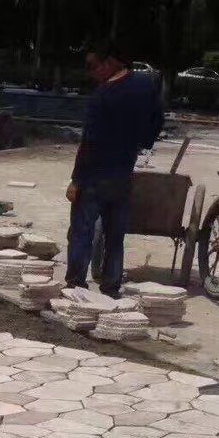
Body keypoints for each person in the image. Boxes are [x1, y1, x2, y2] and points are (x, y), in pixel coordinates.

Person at [65, 40, 164, 298]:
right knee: (115, 236)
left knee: (82, 231)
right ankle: (110, 287)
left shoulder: (101, 97)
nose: (91, 73)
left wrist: (76, 180)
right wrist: (143, 141)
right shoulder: (145, 85)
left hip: (94, 175)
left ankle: (75, 285)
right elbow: (158, 120)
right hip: (123, 173)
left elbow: (88, 142)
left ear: (109, 62)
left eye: (93, 66)